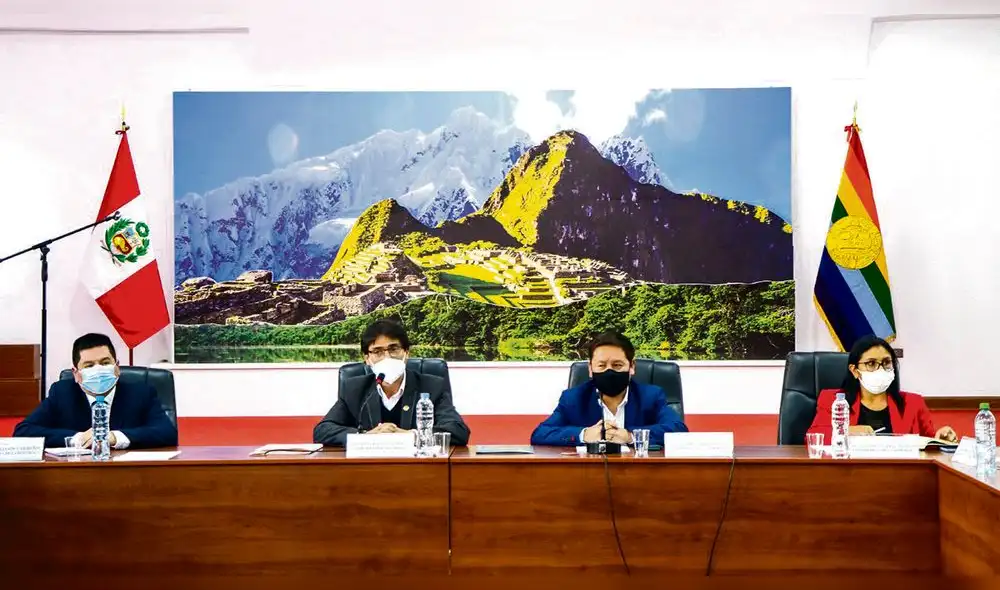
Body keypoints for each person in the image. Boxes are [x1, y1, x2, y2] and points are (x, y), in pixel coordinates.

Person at [313, 319, 470, 446]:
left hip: (418, 467)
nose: (387, 357)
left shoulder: (431, 386)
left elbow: (458, 431)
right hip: (368, 468)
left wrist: (412, 436)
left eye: (393, 349)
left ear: (406, 353)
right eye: (377, 352)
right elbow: (322, 431)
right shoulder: (355, 389)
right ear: (367, 358)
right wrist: (365, 436)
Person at [13, 333, 178, 449]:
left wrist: (114, 437)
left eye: (105, 362)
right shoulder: (62, 393)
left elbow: (167, 433)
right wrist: (77, 439)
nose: (98, 369)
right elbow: (23, 432)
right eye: (89, 365)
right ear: (76, 373)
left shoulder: (141, 393)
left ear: (117, 367)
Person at [530, 331, 688, 446]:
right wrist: (584, 434)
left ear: (631, 367)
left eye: (617, 365)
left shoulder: (651, 396)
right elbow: (540, 434)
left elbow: (678, 430)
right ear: (590, 369)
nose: (609, 371)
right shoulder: (574, 398)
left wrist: (630, 436)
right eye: (601, 365)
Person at [808, 334, 957, 441]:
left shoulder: (913, 403)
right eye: (871, 363)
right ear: (854, 370)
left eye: (886, 362)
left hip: (899, 472)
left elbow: (929, 441)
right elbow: (815, 436)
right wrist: (848, 431)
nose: (880, 369)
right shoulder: (833, 400)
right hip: (849, 471)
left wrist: (941, 437)